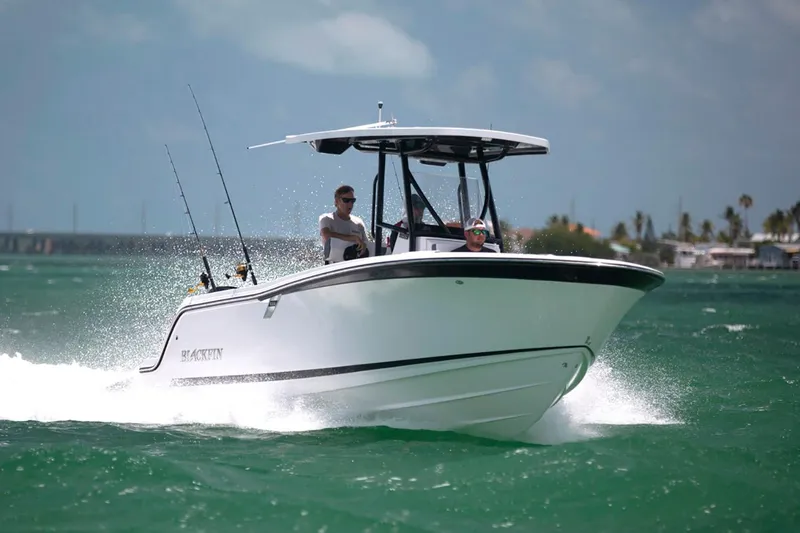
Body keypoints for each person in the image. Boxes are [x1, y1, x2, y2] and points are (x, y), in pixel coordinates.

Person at [319, 184, 371, 264]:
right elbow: (327, 236)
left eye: (353, 201)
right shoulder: (326, 219)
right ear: (336, 202)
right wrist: (353, 238)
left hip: (355, 267)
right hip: (334, 268)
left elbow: (368, 246)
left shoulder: (359, 223)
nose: (350, 204)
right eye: (346, 200)